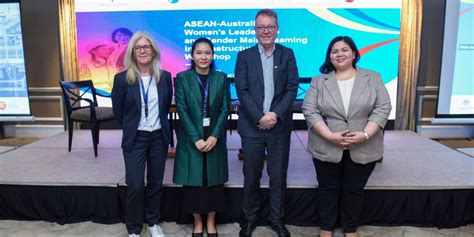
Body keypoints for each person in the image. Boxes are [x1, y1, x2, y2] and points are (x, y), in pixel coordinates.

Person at [301, 36, 392, 237]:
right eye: (335, 51)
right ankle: (326, 227)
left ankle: (350, 228)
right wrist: (330, 136)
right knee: (327, 188)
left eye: (344, 50)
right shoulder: (319, 81)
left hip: (364, 145)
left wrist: (365, 134)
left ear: (354, 53)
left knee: (354, 189)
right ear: (329, 57)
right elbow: (309, 109)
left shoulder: (373, 77)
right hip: (326, 144)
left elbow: (383, 107)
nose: (339, 54)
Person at [234, 8, 299, 237]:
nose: (265, 31)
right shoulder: (244, 56)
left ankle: (276, 219)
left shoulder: (287, 54)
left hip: (279, 127)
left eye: (270, 26)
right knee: (251, 176)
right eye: (261, 27)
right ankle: (249, 220)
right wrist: (259, 117)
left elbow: (292, 88)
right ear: (254, 30)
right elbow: (241, 90)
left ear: (277, 29)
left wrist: (274, 115)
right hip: (252, 127)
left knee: (278, 176)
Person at [111, 31, 172, 237]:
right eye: (138, 47)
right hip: (135, 138)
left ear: (153, 51)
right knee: (136, 185)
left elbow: (164, 109)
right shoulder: (121, 80)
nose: (143, 51)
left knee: (155, 183)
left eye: (147, 47)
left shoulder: (164, 77)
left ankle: (153, 223)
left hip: (157, 137)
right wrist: (133, 126)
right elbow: (119, 112)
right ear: (132, 52)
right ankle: (134, 229)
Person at [173, 37, 231, 237]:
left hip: (214, 135)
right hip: (192, 137)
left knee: (213, 181)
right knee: (193, 181)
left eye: (207, 53)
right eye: (199, 53)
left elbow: (225, 109)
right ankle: (198, 223)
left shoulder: (221, 78)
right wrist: (196, 138)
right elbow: (182, 109)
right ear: (192, 55)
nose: (203, 57)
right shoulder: (182, 78)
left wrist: (215, 136)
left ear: (213, 55)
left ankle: (211, 221)